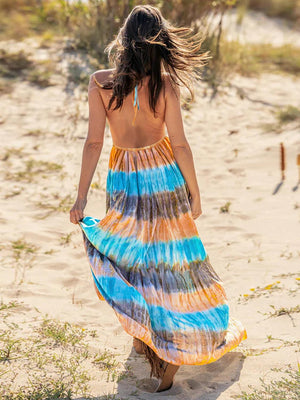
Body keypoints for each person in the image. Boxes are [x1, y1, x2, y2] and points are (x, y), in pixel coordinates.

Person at [70, 4, 247, 393]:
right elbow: (180, 144)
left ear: (123, 39)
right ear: (159, 42)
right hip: (163, 177)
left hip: (124, 178)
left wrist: (81, 198)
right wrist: (194, 191)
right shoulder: (164, 85)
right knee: (173, 261)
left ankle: (146, 337)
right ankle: (167, 346)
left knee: (131, 253)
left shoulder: (101, 83)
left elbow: (94, 142)